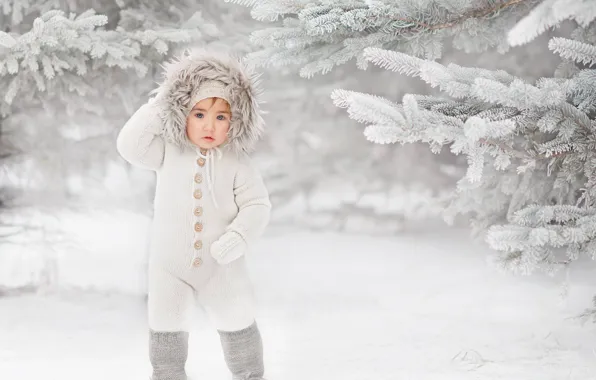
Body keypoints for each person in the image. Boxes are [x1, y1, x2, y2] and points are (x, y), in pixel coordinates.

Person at [116, 48, 271, 380]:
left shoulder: (237, 163)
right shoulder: (168, 152)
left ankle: (250, 375)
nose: (209, 126)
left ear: (236, 120)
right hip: (169, 267)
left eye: (221, 116)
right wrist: (160, 108)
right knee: (167, 330)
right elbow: (130, 146)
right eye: (198, 114)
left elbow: (257, 205)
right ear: (182, 113)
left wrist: (239, 235)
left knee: (237, 321)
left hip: (222, 266)